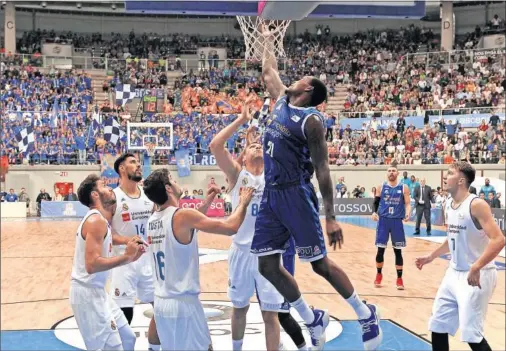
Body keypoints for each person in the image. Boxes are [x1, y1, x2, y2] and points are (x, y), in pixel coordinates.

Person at [251, 25, 382, 350]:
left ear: (308, 89)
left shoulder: (311, 120)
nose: (295, 79)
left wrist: (331, 216)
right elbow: (269, 72)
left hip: (296, 193)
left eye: (302, 78)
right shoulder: (281, 100)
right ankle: (312, 318)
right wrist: (267, 41)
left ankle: (365, 313)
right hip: (272, 194)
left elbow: (323, 169)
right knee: (267, 265)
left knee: (319, 264)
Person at [210, 95, 309, 351]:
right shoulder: (237, 176)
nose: (256, 148)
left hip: (268, 254)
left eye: (259, 147)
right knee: (239, 308)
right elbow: (215, 146)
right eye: (251, 147)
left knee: (270, 314)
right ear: (242, 157)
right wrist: (241, 120)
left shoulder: (275, 176)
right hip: (241, 252)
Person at [143, 169, 255, 351]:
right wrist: (243, 203)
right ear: (168, 188)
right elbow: (230, 227)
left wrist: (208, 202)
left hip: (162, 304)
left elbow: (189, 224)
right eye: (172, 179)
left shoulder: (153, 219)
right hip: (183, 304)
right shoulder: (182, 216)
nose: (176, 181)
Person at [416, 161, 505, 351]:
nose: (445, 177)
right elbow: (452, 238)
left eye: (450, 173)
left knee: (472, 335)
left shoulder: (477, 205)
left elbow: (499, 240)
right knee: (438, 326)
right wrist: (431, 256)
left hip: (477, 275)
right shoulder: (449, 203)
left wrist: (476, 266)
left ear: (461, 181)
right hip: (453, 273)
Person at [70, 174, 144, 351]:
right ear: (95, 195)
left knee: (128, 338)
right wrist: (127, 257)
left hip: (99, 292)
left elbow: (108, 239)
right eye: (104, 186)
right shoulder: (96, 221)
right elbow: (92, 265)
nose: (110, 188)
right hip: (87, 294)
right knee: (113, 348)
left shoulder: (100, 221)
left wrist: (128, 241)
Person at [109, 153, 160, 351]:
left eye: (138, 163)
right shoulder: (113, 197)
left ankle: (153, 348)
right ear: (122, 168)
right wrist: (127, 240)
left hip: (148, 261)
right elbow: (105, 232)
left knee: (162, 309)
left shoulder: (149, 195)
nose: (138, 166)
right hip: (124, 262)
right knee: (124, 315)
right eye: (133, 162)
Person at [371, 164, 411, 289]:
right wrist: (374, 212)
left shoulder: (404, 187)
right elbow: (376, 202)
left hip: (396, 222)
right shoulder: (381, 187)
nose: (391, 172)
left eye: (394, 171)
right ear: (386, 173)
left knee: (397, 251)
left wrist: (408, 212)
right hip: (383, 221)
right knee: (380, 250)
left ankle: (399, 279)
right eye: (389, 171)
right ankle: (378, 274)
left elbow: (408, 203)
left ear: (398, 173)